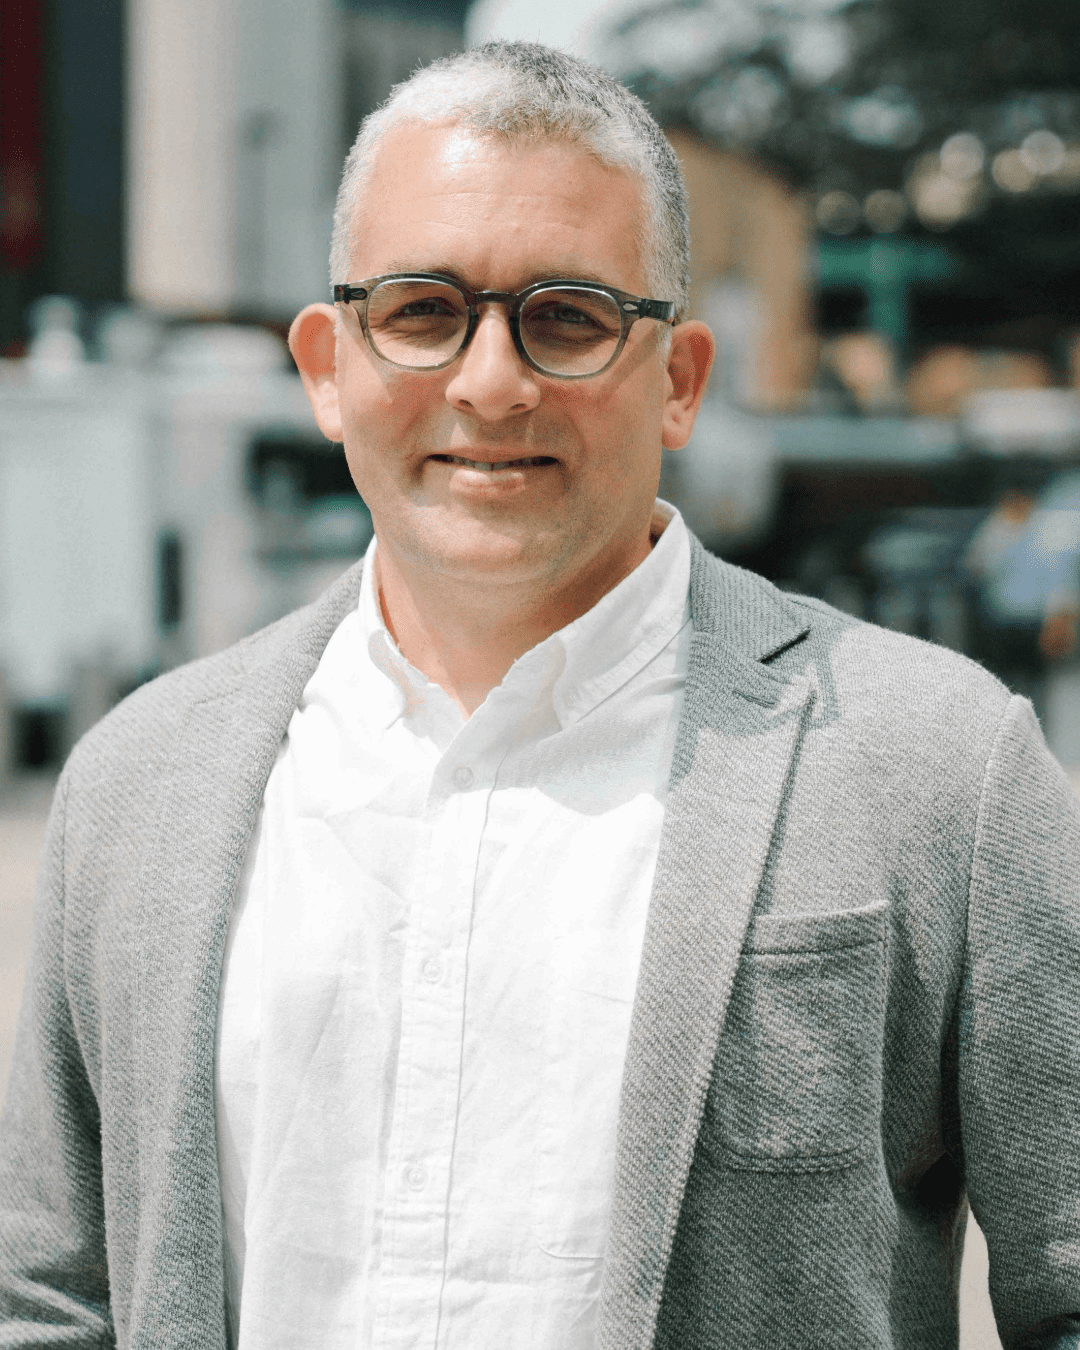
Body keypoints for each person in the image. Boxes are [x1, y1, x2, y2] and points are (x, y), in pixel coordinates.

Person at [2, 40, 1080, 1350]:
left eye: (566, 316)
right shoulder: (140, 783)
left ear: (678, 380)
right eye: (422, 310)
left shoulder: (943, 767)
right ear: (328, 365)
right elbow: (49, 1295)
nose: (490, 381)